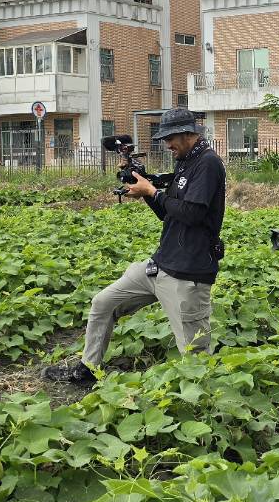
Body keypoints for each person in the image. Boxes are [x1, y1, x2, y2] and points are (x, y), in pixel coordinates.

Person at [44, 108, 226, 384]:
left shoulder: (208, 163)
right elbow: (169, 213)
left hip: (189, 272)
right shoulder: (186, 161)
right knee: (103, 303)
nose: (166, 145)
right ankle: (88, 369)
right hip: (161, 264)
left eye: (170, 138)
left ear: (188, 133)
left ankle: (204, 401)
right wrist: (145, 191)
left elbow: (192, 214)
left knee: (195, 352)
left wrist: (152, 191)